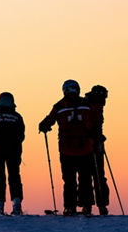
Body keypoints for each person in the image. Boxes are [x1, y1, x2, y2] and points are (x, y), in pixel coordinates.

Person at [39, 80, 95, 216]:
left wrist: (43, 126)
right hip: (86, 148)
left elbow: (48, 121)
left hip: (66, 149)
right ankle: (86, 206)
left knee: (69, 180)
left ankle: (69, 207)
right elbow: (95, 121)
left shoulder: (59, 106)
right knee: (86, 179)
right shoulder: (87, 104)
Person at [85, 85, 109, 215]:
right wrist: (97, 138)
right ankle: (99, 205)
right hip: (91, 145)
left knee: (90, 176)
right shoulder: (93, 105)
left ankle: (88, 205)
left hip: (91, 144)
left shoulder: (93, 104)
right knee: (97, 176)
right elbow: (92, 124)